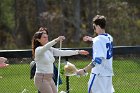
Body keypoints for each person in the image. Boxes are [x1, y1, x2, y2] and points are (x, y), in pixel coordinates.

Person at [32, 27, 89, 93]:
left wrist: (78, 51)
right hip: (41, 79)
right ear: (38, 40)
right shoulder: (38, 50)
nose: (46, 38)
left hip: (50, 78)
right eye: (44, 37)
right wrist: (57, 40)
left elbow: (63, 52)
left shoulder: (50, 49)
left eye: (47, 37)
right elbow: (46, 46)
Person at [77, 15, 115, 93]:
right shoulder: (109, 37)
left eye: (94, 27)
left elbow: (97, 60)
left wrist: (84, 70)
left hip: (98, 74)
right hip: (108, 74)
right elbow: (102, 41)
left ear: (98, 26)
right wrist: (91, 39)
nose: (94, 29)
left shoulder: (98, 40)